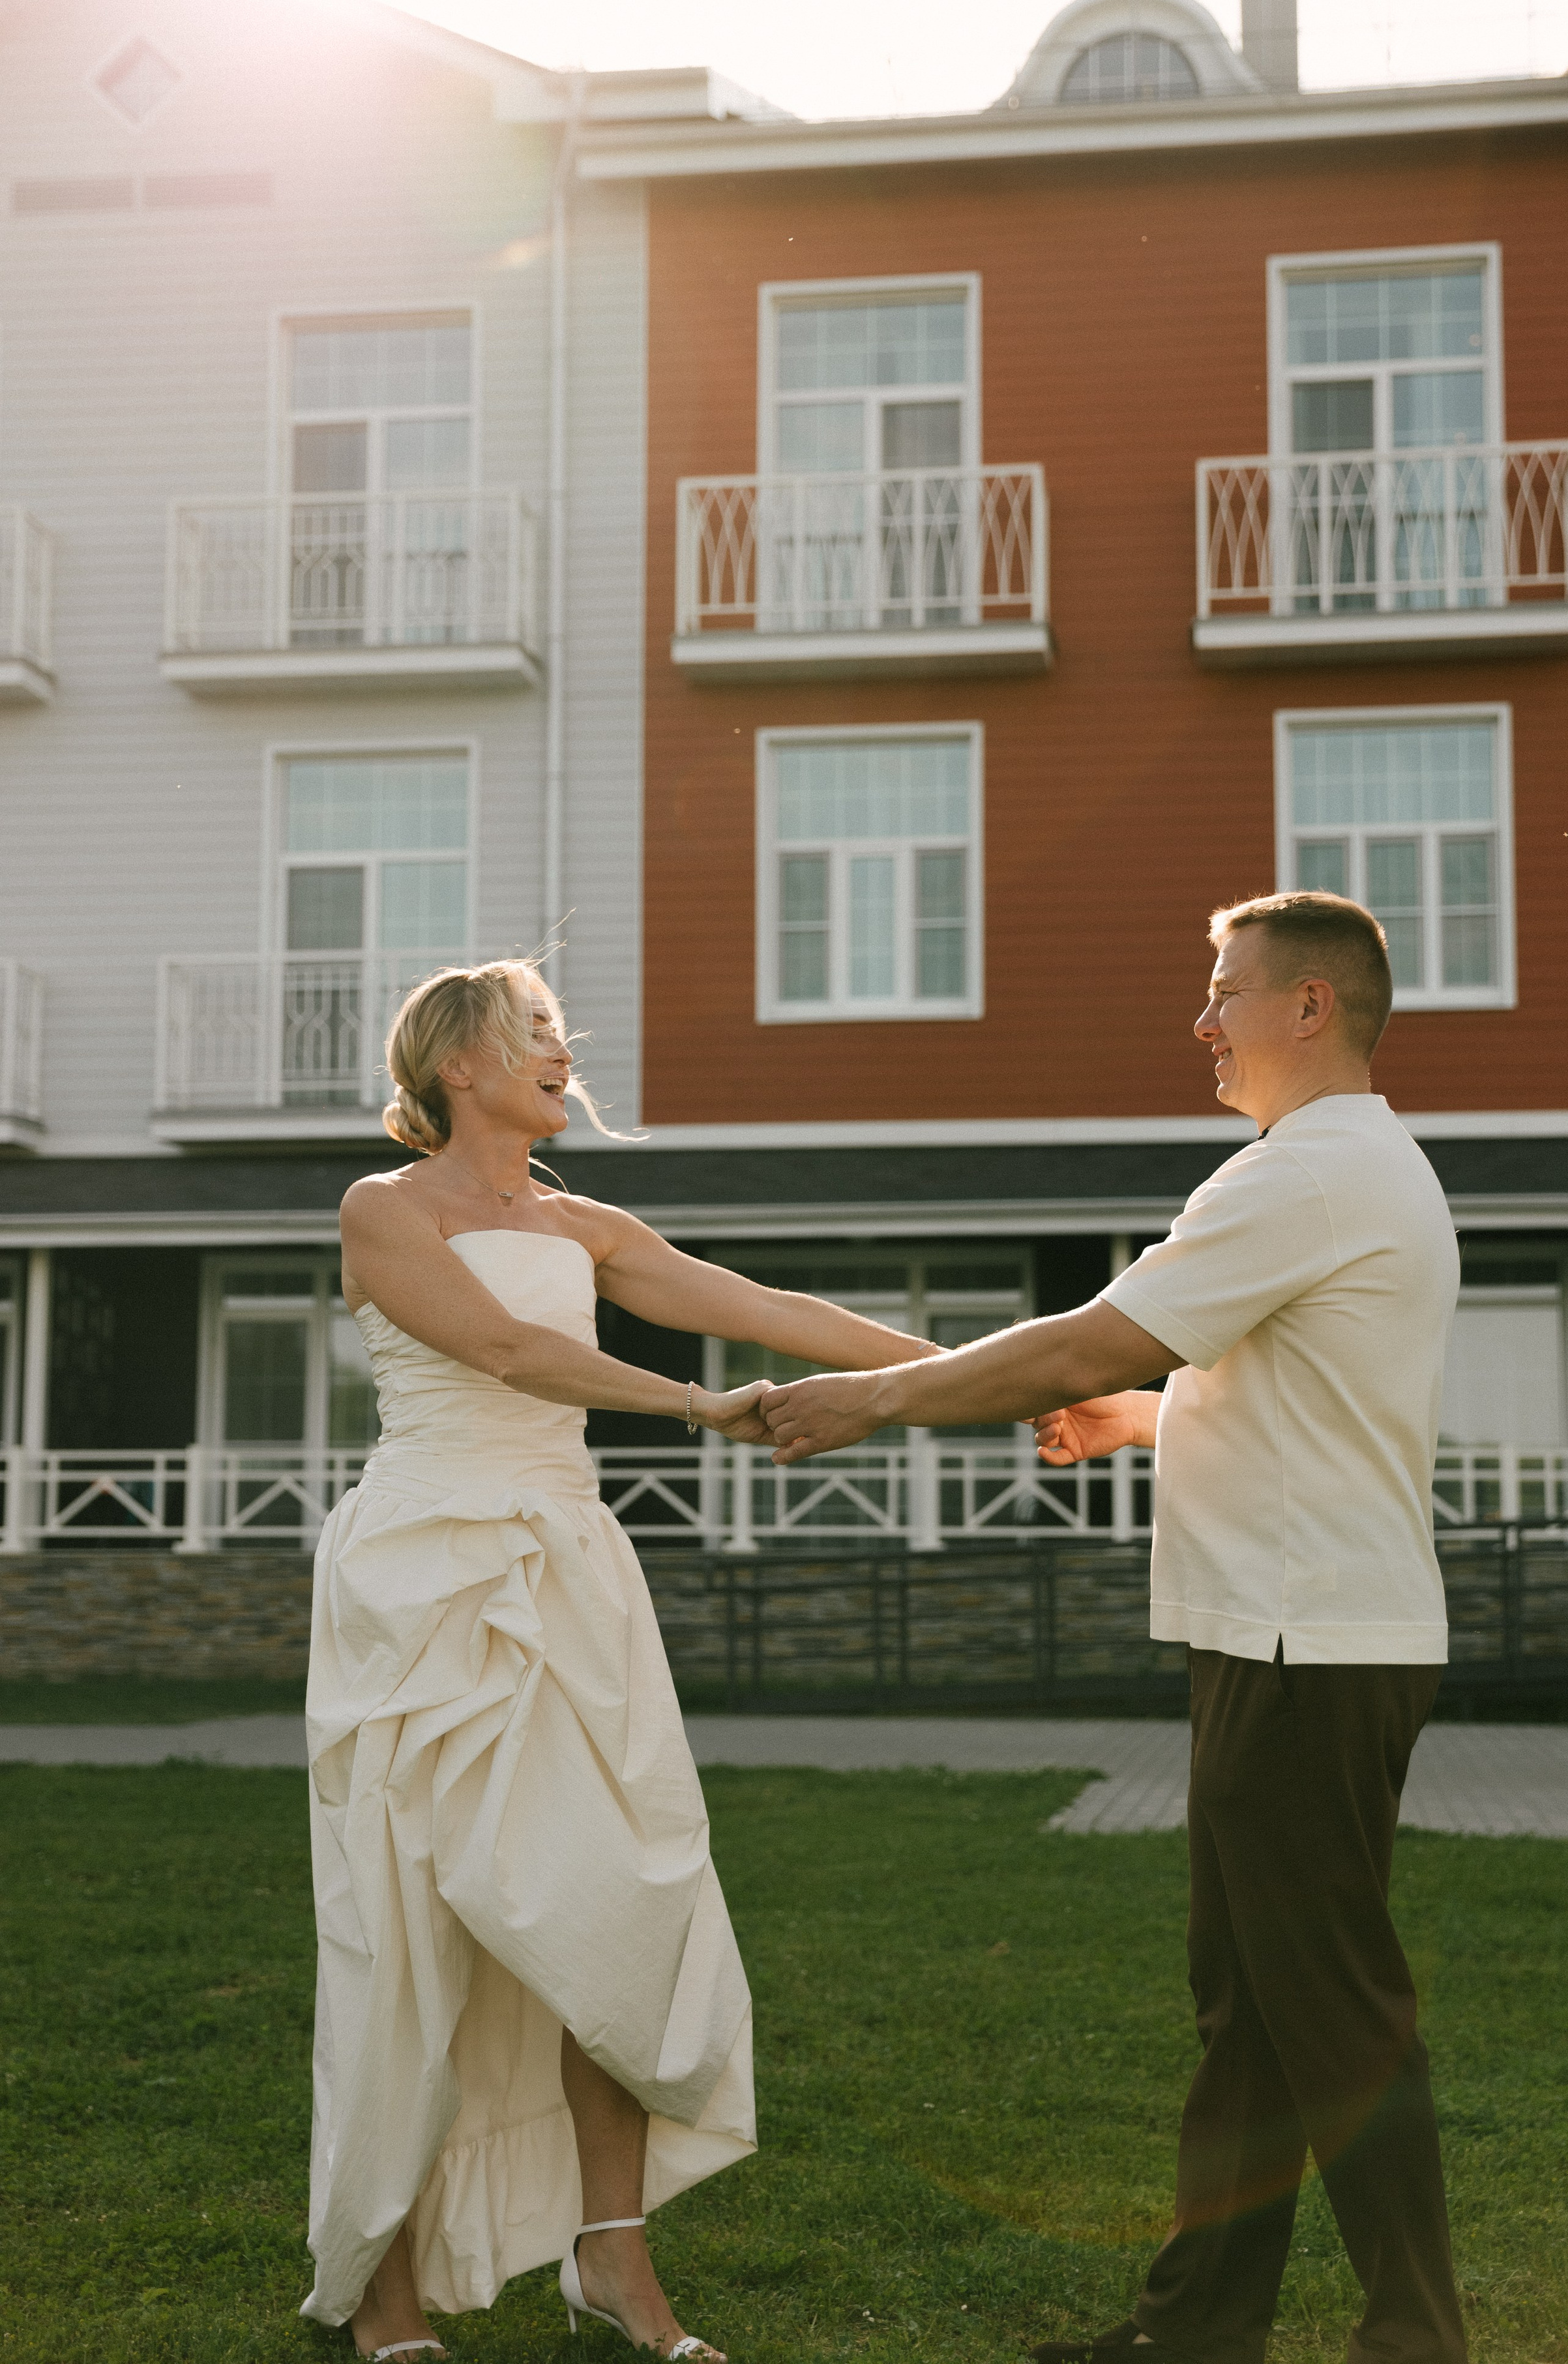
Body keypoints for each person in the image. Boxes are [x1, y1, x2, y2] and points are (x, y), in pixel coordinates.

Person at [761, 893, 1468, 2364]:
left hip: (1303, 1645)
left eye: (1223, 993)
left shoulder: (1304, 1174)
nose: (1201, 1023)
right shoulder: (1346, 1170)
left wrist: (877, 1399)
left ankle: (1415, 2334)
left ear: (1309, 1008)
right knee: (1255, 2014)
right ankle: (1195, 2335)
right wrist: (1141, 1416)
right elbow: (1281, 1391)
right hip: (1290, 1635)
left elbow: (1093, 1328)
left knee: (1329, 2008)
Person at [302, 957, 932, 2362]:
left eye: (556, 1033)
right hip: (422, 1584)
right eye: (529, 1033)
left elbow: (761, 1308)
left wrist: (964, 1380)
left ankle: (611, 2262)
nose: (557, 1051)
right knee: (413, 1920)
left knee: (613, 1901)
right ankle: (385, 2289)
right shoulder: (382, 1209)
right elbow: (505, 1350)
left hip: (570, 1576)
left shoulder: (586, 1222)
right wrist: (692, 1405)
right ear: (454, 1064)